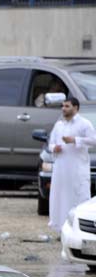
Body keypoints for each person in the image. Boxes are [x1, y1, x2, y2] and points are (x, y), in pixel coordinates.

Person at [47, 96, 96, 233]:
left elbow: (94, 140)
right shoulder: (59, 125)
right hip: (61, 169)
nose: (64, 109)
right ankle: (60, 228)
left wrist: (75, 140)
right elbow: (50, 143)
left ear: (76, 108)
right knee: (60, 196)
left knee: (78, 196)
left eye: (67, 106)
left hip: (77, 169)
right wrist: (54, 148)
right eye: (62, 106)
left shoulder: (84, 124)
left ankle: (78, 229)